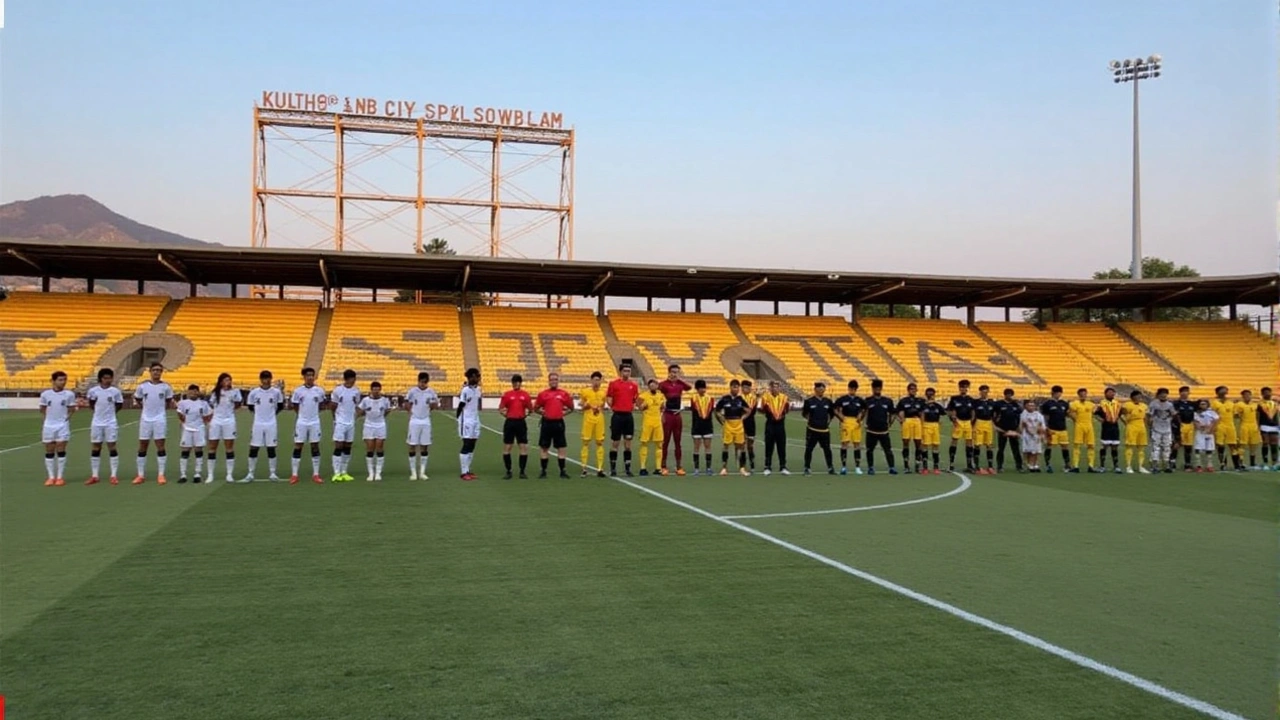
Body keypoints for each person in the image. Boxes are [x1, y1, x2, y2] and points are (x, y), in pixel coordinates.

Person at [133, 362, 174, 485]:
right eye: (154, 370)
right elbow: (138, 399)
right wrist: (146, 409)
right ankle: (140, 475)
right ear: (150, 371)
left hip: (159, 419)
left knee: (160, 445)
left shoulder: (166, 387)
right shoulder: (143, 386)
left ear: (161, 372)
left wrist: (159, 412)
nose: (156, 372)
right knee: (143, 446)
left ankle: (161, 474)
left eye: (159, 370)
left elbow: (168, 401)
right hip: (145, 419)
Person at [243, 371, 285, 482]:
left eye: (268, 378)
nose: (266, 380)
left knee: (271, 447)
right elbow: (250, 406)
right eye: (264, 378)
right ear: (260, 379)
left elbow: (280, 406)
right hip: (258, 423)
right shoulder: (254, 393)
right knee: (254, 447)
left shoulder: (276, 392)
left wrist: (271, 414)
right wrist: (259, 415)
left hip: (271, 423)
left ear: (271, 379)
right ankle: (250, 473)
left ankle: (272, 473)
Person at [86, 367, 124, 485]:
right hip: (97, 422)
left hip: (110, 423)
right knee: (96, 447)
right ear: (100, 379)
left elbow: (119, 404)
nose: (108, 380)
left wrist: (111, 414)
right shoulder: (93, 391)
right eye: (105, 378)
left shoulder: (115, 391)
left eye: (110, 378)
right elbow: (91, 403)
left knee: (112, 446)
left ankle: (113, 475)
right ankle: (95, 475)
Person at [290, 367, 327, 484]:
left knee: (315, 446)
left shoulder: (319, 391)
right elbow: (295, 406)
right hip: (302, 422)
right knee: (298, 446)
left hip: (314, 422)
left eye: (312, 375)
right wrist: (302, 415)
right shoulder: (298, 391)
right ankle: (294, 474)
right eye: (308, 375)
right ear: (304, 377)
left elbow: (322, 405)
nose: (310, 377)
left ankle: (316, 474)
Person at [39, 370, 77, 486]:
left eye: (64, 379)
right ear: (53, 381)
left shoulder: (69, 394)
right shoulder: (46, 394)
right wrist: (48, 419)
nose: (63, 382)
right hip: (49, 425)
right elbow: (42, 408)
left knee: (61, 449)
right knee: (49, 450)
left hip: (62, 425)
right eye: (60, 380)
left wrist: (66, 419)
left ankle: (60, 477)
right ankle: (51, 477)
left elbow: (71, 409)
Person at [533, 372, 574, 479]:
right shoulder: (543, 394)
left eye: (555, 379)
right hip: (547, 423)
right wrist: (543, 413)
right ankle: (543, 470)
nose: (554, 381)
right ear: (549, 381)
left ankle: (562, 471)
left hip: (559, 423)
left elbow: (571, 408)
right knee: (544, 447)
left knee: (561, 447)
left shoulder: (564, 394)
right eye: (552, 379)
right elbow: (536, 408)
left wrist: (563, 414)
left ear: (558, 380)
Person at [207, 372, 243, 484]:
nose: (228, 382)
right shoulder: (215, 392)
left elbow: (238, 404)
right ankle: (210, 474)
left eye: (229, 380)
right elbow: (211, 404)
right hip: (216, 420)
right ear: (221, 381)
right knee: (212, 447)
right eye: (226, 380)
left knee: (229, 447)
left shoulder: (235, 392)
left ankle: (229, 474)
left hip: (229, 421)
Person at [403, 372, 440, 481]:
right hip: (414, 420)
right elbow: (406, 403)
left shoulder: (431, 392)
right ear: (418, 381)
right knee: (412, 445)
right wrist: (410, 411)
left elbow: (435, 405)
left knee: (425, 446)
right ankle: (413, 472)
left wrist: (432, 405)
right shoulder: (412, 391)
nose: (423, 384)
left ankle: (422, 472)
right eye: (421, 382)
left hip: (426, 420)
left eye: (425, 382)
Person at [657, 365, 693, 476]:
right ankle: (663, 466)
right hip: (667, 414)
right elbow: (658, 396)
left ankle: (679, 466)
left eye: (676, 372)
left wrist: (679, 380)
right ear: (668, 372)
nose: (674, 374)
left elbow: (689, 387)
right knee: (665, 441)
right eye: (672, 372)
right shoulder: (663, 384)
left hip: (677, 415)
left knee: (678, 441)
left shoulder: (680, 384)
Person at [606, 364, 641, 476]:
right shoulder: (613, 384)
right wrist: (613, 406)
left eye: (629, 371)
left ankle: (627, 468)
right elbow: (609, 398)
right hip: (617, 416)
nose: (627, 373)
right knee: (615, 442)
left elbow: (636, 400)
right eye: (625, 371)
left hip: (628, 417)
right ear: (620, 371)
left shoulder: (633, 385)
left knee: (628, 444)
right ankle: (613, 468)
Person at [329, 369, 362, 483]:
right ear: (347, 379)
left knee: (348, 446)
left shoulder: (356, 391)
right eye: (352, 378)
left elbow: (357, 405)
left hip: (350, 422)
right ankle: (336, 473)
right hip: (340, 422)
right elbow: (333, 405)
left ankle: (344, 471)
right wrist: (335, 418)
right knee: (338, 446)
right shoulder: (338, 390)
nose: (354, 381)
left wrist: (356, 416)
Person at [498, 374, 534, 479]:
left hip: (521, 422)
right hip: (510, 422)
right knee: (507, 447)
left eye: (518, 381)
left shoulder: (525, 395)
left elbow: (530, 409)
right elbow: (501, 409)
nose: (516, 384)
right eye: (514, 382)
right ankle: (508, 471)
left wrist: (523, 416)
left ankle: (522, 471)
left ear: (520, 383)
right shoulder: (507, 395)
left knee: (523, 446)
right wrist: (508, 415)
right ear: (512, 383)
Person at [357, 381, 392, 481]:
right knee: (370, 448)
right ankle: (370, 473)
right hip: (368, 425)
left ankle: (378, 472)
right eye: (374, 389)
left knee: (380, 447)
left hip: (380, 425)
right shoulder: (365, 400)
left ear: (380, 390)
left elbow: (388, 410)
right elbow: (359, 411)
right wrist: (362, 413)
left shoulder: (384, 400)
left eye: (378, 389)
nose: (376, 391)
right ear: (371, 390)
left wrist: (381, 417)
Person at [176, 384, 212, 483]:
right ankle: (183, 474)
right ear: (188, 392)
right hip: (187, 428)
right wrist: (183, 422)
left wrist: (205, 423)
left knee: (198, 450)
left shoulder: (203, 403)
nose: (193, 393)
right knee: (185, 451)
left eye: (195, 391)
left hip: (199, 428)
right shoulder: (183, 403)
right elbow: (179, 413)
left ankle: (197, 474)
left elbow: (208, 414)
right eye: (191, 391)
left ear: (198, 392)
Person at [715, 379, 751, 476]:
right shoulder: (725, 399)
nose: (736, 389)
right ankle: (724, 468)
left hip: (738, 424)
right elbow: (717, 411)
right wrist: (721, 420)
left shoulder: (740, 399)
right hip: (728, 424)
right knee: (726, 446)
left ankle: (742, 468)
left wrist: (742, 418)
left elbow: (748, 410)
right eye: (734, 387)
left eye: (738, 387)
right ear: (730, 387)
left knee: (741, 446)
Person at [801, 381, 836, 475]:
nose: (821, 390)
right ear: (815, 389)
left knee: (827, 449)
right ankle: (807, 468)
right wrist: (811, 421)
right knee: (809, 449)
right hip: (812, 430)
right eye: (819, 388)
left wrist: (828, 422)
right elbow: (805, 414)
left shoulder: (828, 401)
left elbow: (832, 414)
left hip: (824, 430)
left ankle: (830, 467)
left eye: (822, 388)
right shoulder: (809, 401)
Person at [863, 379, 897, 475]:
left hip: (883, 431)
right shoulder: (868, 400)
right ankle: (870, 467)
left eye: (879, 388)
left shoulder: (887, 401)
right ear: (872, 389)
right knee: (870, 450)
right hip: (871, 430)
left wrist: (890, 423)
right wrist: (864, 423)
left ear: (881, 388)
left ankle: (892, 467)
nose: (877, 390)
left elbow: (893, 413)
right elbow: (864, 412)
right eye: (875, 388)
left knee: (888, 450)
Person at [578, 371, 608, 477]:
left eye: (598, 380)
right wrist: (587, 406)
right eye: (595, 380)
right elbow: (581, 405)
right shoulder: (585, 391)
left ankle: (600, 468)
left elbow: (603, 405)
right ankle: (584, 468)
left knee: (600, 442)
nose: (597, 382)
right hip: (588, 420)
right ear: (591, 380)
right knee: (586, 442)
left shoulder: (603, 393)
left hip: (599, 420)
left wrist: (598, 409)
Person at [834, 380, 865, 475]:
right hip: (846, 421)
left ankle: (857, 467)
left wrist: (861, 416)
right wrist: (840, 417)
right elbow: (835, 408)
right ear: (848, 388)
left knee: (857, 444)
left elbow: (864, 409)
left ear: (856, 389)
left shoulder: (860, 400)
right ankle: (843, 467)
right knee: (845, 443)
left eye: (854, 389)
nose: (852, 390)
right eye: (851, 388)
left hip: (856, 422)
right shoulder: (843, 399)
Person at [457, 367, 483, 481]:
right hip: (466, 420)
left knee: (472, 444)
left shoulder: (478, 389)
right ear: (471, 377)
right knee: (466, 444)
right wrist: (459, 419)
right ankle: (463, 472)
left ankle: (468, 470)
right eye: (477, 376)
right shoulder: (465, 390)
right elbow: (461, 406)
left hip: (475, 419)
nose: (478, 378)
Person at [760, 380, 790, 475]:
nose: (775, 388)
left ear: (779, 388)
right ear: (770, 388)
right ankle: (767, 466)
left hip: (780, 424)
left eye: (777, 387)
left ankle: (783, 466)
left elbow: (786, 410)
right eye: (773, 387)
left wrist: (780, 416)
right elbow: (762, 409)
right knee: (769, 446)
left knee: (781, 446)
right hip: (770, 424)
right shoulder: (765, 397)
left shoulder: (784, 398)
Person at [1039, 386, 1071, 473]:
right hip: (1052, 429)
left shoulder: (1064, 403)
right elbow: (1045, 416)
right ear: (1052, 393)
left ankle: (1067, 464)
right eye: (1057, 393)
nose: (1058, 394)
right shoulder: (1047, 404)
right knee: (1049, 446)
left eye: (1060, 393)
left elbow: (1067, 414)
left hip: (1063, 429)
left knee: (1065, 446)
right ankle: (1048, 465)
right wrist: (1046, 427)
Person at [946, 380, 976, 472]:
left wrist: (972, 421)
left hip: (967, 422)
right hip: (958, 422)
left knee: (969, 442)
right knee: (954, 441)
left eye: (965, 387)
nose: (964, 389)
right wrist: (953, 418)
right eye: (962, 387)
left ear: (967, 388)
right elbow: (949, 410)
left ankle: (969, 464)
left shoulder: (971, 399)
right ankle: (951, 463)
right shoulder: (954, 398)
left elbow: (973, 411)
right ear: (959, 388)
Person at [637, 378, 665, 476]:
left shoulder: (661, 395)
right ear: (648, 386)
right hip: (647, 422)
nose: (653, 387)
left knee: (659, 444)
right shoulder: (643, 396)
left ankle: (658, 468)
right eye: (651, 385)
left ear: (657, 386)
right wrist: (644, 405)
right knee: (644, 443)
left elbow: (663, 407)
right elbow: (639, 407)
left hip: (657, 422)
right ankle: (643, 467)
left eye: (655, 385)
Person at [896, 383, 925, 474]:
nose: (913, 390)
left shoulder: (920, 401)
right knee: (906, 442)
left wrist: (922, 423)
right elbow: (899, 411)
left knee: (918, 442)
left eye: (914, 389)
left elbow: (922, 413)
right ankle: (906, 465)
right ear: (908, 390)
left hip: (917, 421)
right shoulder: (903, 401)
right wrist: (901, 420)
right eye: (911, 389)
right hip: (907, 421)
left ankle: (917, 465)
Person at [992, 388, 1023, 473]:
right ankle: (999, 466)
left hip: (1013, 429)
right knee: (1001, 449)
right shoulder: (999, 404)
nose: (1009, 396)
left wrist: (1018, 429)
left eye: (1010, 394)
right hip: (1002, 430)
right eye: (1007, 394)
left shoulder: (1015, 404)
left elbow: (1020, 416)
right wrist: (996, 426)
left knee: (1016, 448)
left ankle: (1019, 466)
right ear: (1004, 395)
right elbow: (994, 416)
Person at [1068, 387, 1097, 474]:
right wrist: (1075, 420)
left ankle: (1091, 466)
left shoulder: (1091, 404)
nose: (1083, 396)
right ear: (1079, 395)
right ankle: (1076, 466)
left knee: (1091, 446)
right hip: (1079, 426)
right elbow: (1069, 412)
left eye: (1085, 394)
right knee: (1077, 445)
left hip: (1089, 426)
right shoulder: (1075, 404)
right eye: (1081, 394)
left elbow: (1095, 410)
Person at [690, 380, 716, 475]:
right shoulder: (693, 398)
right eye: (700, 388)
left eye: (704, 388)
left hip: (707, 425)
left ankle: (708, 468)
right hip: (697, 425)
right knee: (696, 447)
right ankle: (696, 469)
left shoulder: (710, 398)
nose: (702, 390)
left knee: (708, 446)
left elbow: (709, 410)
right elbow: (696, 410)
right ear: (697, 389)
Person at [1210, 386, 1239, 470]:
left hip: (1230, 425)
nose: (1224, 392)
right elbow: (1212, 415)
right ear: (1217, 392)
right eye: (1222, 390)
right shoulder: (1214, 403)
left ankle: (1236, 465)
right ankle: (1223, 464)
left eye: (1225, 390)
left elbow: (1235, 414)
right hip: (1219, 426)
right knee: (1220, 445)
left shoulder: (1231, 403)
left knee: (1232, 445)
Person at [1147, 388, 1176, 473]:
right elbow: (1149, 415)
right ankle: (1155, 464)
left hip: (1167, 429)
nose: (1163, 395)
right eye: (1162, 393)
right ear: (1158, 394)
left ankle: (1166, 464)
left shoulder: (1170, 405)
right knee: (1156, 446)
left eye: (1165, 393)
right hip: (1156, 428)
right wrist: (1149, 424)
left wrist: (1170, 420)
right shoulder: (1153, 404)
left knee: (1167, 447)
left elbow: (1173, 414)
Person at [1120, 390, 1149, 474]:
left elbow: (1145, 417)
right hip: (1132, 426)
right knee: (1130, 446)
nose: (1139, 398)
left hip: (1141, 426)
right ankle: (1128, 466)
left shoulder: (1144, 406)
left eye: (1140, 396)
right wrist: (1126, 423)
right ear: (1133, 397)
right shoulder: (1127, 405)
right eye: (1137, 396)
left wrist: (1146, 425)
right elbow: (1121, 415)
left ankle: (1141, 466)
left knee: (1141, 447)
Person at [1095, 387, 1123, 473]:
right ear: (1105, 394)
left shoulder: (1117, 403)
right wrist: (1100, 420)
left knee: (1115, 446)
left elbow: (1121, 413)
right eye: (1110, 392)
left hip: (1115, 427)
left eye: (1113, 392)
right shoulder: (1101, 403)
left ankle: (1116, 466)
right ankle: (1102, 466)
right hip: (1106, 427)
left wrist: (1119, 418)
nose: (1112, 394)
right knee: (1105, 446)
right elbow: (1095, 414)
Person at [971, 385, 998, 475]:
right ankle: (977, 467)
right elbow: (973, 414)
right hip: (979, 422)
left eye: (986, 392)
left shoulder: (992, 402)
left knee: (989, 445)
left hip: (988, 423)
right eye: (983, 391)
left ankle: (990, 466)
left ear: (988, 392)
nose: (984, 393)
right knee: (977, 444)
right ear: (980, 392)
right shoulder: (976, 402)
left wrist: (994, 423)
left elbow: (995, 414)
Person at [922, 387, 948, 474]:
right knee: (925, 445)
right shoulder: (923, 405)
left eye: (932, 394)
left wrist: (940, 422)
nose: (930, 396)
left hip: (935, 426)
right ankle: (925, 467)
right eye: (929, 394)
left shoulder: (937, 406)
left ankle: (936, 467)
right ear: (926, 395)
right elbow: (920, 415)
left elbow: (944, 413)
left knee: (935, 445)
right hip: (926, 425)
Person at [1172, 386, 1198, 471]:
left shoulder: (1192, 404)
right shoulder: (1176, 403)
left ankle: (1187, 464)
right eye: (1183, 391)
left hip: (1190, 426)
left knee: (1188, 446)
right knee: (1176, 444)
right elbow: (1174, 415)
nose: (1185, 393)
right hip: (1179, 426)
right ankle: (1172, 463)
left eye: (1187, 391)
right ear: (1180, 393)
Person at [1237, 389, 1262, 470]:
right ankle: (1240, 462)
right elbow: (1236, 415)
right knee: (1242, 444)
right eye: (1245, 395)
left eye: (1249, 395)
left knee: (1254, 445)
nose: (1247, 396)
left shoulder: (1255, 405)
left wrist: (1258, 424)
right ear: (1242, 396)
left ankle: (1252, 463)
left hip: (1253, 426)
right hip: (1244, 425)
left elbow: (1258, 414)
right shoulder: (1239, 405)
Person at [1020, 399, 1047, 472]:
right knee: (1027, 450)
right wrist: (1032, 432)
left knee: (1037, 451)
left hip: (1037, 435)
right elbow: (1025, 425)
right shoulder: (1024, 414)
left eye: (1033, 405)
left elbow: (1042, 425)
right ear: (1026, 406)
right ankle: (1026, 465)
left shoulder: (1039, 415)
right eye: (1029, 405)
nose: (1031, 407)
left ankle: (1035, 465)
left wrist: (1042, 434)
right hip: (1027, 435)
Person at [1193, 399, 1219, 472]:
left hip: (1209, 433)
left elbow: (1216, 420)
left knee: (1209, 448)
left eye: (1204, 404)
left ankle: (1209, 465)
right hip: (1200, 432)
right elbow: (1195, 422)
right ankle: (1199, 465)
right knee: (1198, 448)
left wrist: (1211, 428)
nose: (1203, 405)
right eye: (1201, 404)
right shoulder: (1196, 413)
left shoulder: (1212, 412)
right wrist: (1200, 426)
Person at [740, 379, 759, 471]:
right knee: (742, 444)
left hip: (751, 422)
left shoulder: (754, 398)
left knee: (750, 445)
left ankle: (752, 463)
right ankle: (742, 465)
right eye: (744, 387)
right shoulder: (739, 398)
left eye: (748, 387)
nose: (746, 389)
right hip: (741, 423)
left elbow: (753, 411)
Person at [1259, 387, 1278, 470]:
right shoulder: (1260, 404)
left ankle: (1274, 463)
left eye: (1269, 392)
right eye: (1266, 392)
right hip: (1264, 425)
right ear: (1262, 394)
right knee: (1265, 443)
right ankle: (1265, 462)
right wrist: (1258, 425)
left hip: (1274, 425)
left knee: (1274, 444)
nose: (1268, 394)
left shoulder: (1275, 403)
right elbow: (1257, 415)